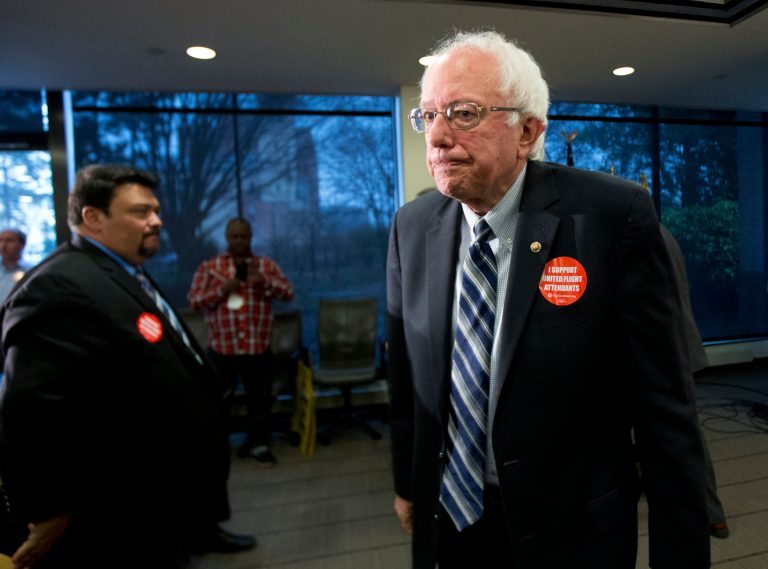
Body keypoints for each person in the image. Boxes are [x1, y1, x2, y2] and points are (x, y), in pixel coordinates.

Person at [386, 30, 710, 569]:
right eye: (428, 116)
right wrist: (407, 485)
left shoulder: (611, 217)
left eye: (462, 113)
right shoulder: (410, 226)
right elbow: (408, 384)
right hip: (452, 521)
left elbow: (665, 413)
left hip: (571, 535)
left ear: (528, 130)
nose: (437, 136)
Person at [0, 164, 255, 569]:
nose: (156, 220)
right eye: (140, 212)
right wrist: (49, 508)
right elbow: (34, 412)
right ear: (93, 218)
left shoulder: (121, 271)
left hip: (155, 494)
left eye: (155, 210)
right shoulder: (59, 285)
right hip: (114, 506)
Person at [188, 217, 293, 467]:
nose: (239, 241)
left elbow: (288, 293)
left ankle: (258, 444)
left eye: (243, 236)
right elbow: (194, 301)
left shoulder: (265, 266)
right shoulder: (209, 267)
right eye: (234, 236)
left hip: (258, 347)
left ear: (251, 237)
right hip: (223, 349)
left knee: (260, 400)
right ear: (226, 238)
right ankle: (216, 447)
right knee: (217, 401)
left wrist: (264, 283)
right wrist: (222, 290)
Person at [660, 223, 730, 539]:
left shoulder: (638, 234)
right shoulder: (663, 232)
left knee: (686, 436)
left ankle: (711, 513)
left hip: (665, 352)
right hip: (675, 347)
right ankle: (711, 513)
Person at [0, 229, 27, 303]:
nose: (3, 245)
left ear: (21, 244)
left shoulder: (30, 272)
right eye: (0, 240)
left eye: (9, 240)